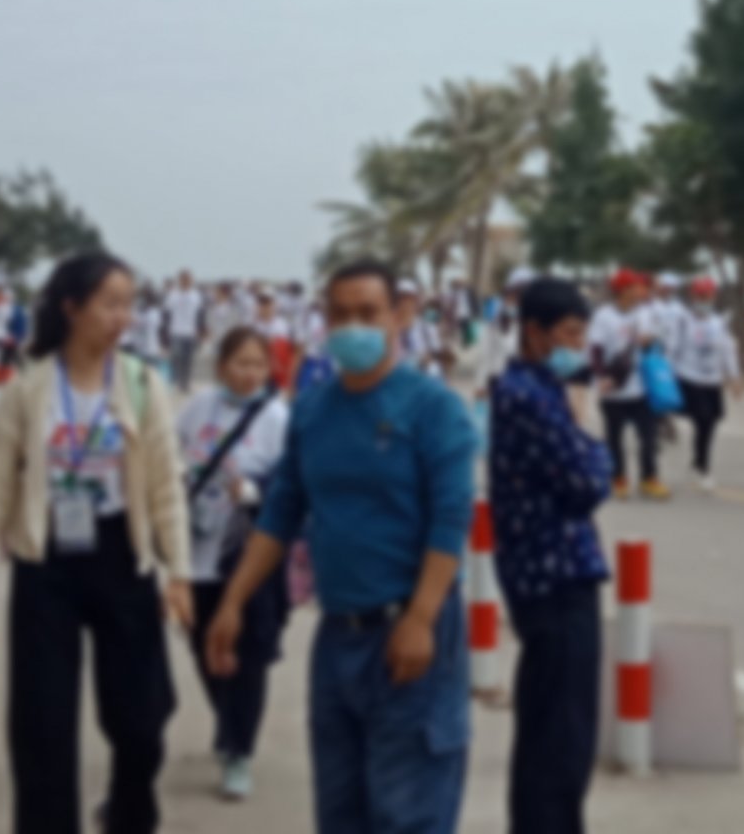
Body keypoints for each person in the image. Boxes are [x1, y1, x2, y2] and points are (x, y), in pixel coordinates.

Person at [208, 260, 477, 834]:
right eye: (341, 314)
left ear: (398, 317)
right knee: (340, 811)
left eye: (368, 313)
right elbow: (281, 511)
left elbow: (451, 521)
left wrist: (421, 619)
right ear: (324, 321)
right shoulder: (312, 409)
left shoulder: (433, 408)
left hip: (412, 632)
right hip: (338, 637)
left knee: (408, 813)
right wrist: (233, 601)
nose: (354, 326)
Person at [0, 252, 190, 834]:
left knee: (142, 719)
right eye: (110, 304)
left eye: (128, 305)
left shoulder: (142, 383)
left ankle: (129, 814)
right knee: (43, 725)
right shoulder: (27, 389)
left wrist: (179, 573)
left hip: (121, 555)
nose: (122, 317)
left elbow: (165, 485)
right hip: (47, 562)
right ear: (72, 308)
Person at [486, 278, 611, 834]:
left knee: (559, 730)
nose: (578, 347)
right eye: (570, 334)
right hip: (553, 577)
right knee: (559, 738)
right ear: (534, 332)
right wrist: (592, 434)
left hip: (552, 574)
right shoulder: (530, 397)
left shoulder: (542, 389)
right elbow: (588, 482)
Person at [177, 327, 291, 799]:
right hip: (199, 552)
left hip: (251, 556)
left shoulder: (277, 418)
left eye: (258, 365)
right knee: (204, 646)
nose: (249, 373)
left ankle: (239, 750)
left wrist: (255, 491)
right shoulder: (197, 408)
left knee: (248, 658)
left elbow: (292, 484)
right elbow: (171, 455)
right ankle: (227, 721)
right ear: (222, 364)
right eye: (241, 363)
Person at [588, 271, 665, 501]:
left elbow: (651, 344)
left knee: (649, 436)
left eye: (639, 287)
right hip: (613, 389)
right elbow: (596, 350)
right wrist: (601, 377)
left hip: (640, 388)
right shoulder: (603, 316)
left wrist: (649, 341)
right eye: (633, 287)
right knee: (615, 438)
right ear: (621, 291)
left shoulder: (643, 314)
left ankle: (649, 478)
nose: (638, 291)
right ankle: (618, 478)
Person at [674, 278, 736, 491]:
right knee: (703, 419)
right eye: (701, 296)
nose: (704, 300)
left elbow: (727, 349)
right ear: (693, 296)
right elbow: (674, 348)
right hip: (690, 377)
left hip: (713, 380)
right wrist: (670, 375)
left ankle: (698, 459)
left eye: (708, 296)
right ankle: (704, 466)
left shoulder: (719, 322)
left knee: (710, 422)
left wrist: (734, 376)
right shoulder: (683, 320)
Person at [166, 271, 207, 391]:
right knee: (177, 358)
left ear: (191, 281)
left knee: (188, 360)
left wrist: (201, 330)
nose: (185, 282)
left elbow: (200, 314)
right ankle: (178, 382)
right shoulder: (173, 295)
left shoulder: (196, 296)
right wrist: (165, 333)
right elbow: (167, 314)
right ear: (179, 281)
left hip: (191, 332)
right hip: (176, 331)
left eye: (188, 279)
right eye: (183, 279)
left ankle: (186, 383)